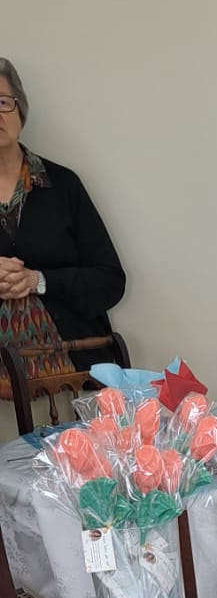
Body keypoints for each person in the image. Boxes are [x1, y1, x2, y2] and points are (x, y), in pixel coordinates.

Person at [0, 57, 126, 404]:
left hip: (74, 382)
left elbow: (110, 281)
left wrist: (38, 280)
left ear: (21, 110)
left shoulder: (62, 185)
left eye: (2, 102)